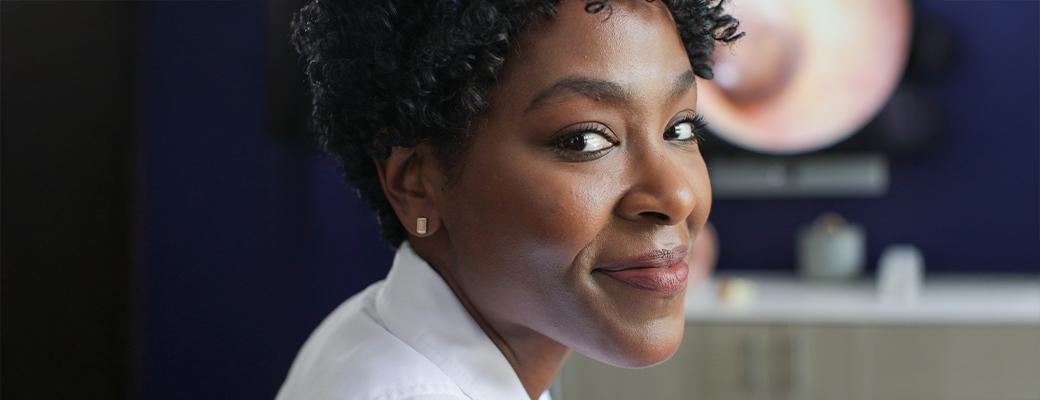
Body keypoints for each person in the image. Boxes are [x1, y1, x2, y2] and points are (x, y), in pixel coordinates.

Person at [277, 0, 740, 399]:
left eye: (679, 129)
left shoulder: (371, 327)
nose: (677, 195)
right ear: (414, 183)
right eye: (584, 141)